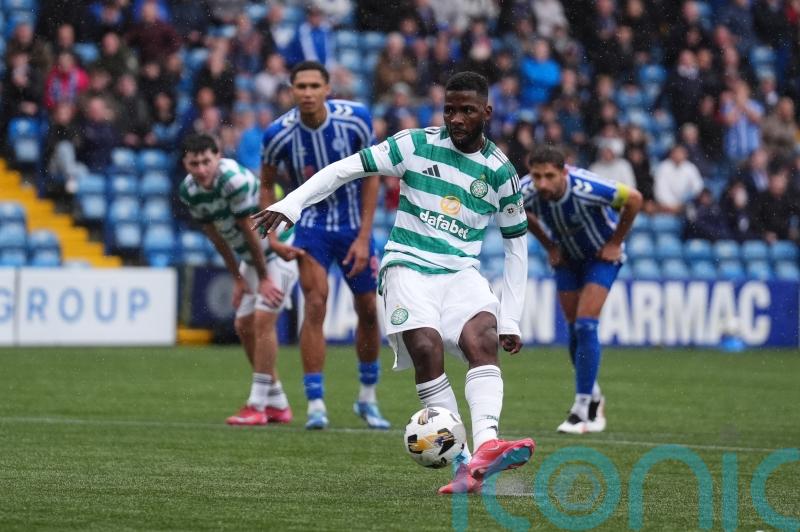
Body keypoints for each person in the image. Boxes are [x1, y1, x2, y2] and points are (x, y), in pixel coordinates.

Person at [252, 71, 535, 494]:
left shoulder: (500, 172)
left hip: (461, 272)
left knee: (484, 340)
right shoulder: (414, 144)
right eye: (450, 110)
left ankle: (488, 444)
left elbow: (517, 247)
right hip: (407, 265)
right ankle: (462, 462)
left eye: (467, 111)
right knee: (426, 347)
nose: (456, 119)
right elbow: (346, 169)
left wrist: (510, 317)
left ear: (487, 113)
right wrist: (292, 202)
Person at [259, 61, 389, 431]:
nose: (308, 92)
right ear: (291, 89)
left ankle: (368, 398)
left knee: (367, 310)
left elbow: (372, 177)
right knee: (315, 306)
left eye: (315, 85)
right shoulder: (278, 134)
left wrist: (365, 237)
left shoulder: (356, 120)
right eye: (301, 85)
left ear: (328, 88)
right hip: (311, 229)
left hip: (353, 227)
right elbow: (266, 185)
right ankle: (315, 403)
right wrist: (273, 238)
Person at [178, 134, 300, 426]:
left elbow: (250, 230)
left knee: (261, 321)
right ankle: (278, 403)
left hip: (278, 252)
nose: (201, 169)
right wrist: (238, 278)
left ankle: (256, 405)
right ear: (186, 163)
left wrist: (264, 279)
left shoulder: (233, 180)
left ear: (218, 156)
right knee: (243, 325)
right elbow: (216, 237)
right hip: (252, 258)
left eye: (207, 161)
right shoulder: (189, 190)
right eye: (194, 163)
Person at [521, 145, 643, 434]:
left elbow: (635, 199)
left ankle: (581, 410)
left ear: (564, 172)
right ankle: (594, 395)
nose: (542, 184)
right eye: (536, 176)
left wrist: (615, 243)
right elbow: (516, 212)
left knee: (587, 326)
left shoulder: (589, 187)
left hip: (600, 259)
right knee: (575, 330)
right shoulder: (524, 191)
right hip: (566, 260)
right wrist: (549, 245)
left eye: (549, 176)